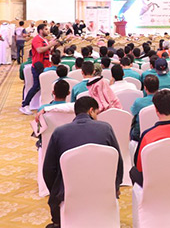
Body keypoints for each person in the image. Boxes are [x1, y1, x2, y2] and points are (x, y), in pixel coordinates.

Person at [43, 97, 123, 228]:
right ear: (91, 111)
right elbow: (118, 162)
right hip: (103, 189)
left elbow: (48, 169)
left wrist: (57, 190)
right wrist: (116, 186)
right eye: (97, 113)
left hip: (69, 191)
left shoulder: (59, 132)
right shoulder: (106, 129)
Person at [21, 23, 58, 115]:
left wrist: (54, 46)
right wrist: (50, 44)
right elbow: (39, 50)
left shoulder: (44, 39)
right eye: (46, 29)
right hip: (38, 66)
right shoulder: (36, 39)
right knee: (36, 86)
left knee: (45, 86)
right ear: (41, 30)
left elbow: (48, 51)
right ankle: (25, 105)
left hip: (46, 65)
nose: (48, 31)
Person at [131, 75, 160, 141]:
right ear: (158, 87)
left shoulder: (138, 102)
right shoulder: (163, 101)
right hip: (159, 133)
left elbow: (133, 114)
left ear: (145, 88)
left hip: (139, 136)